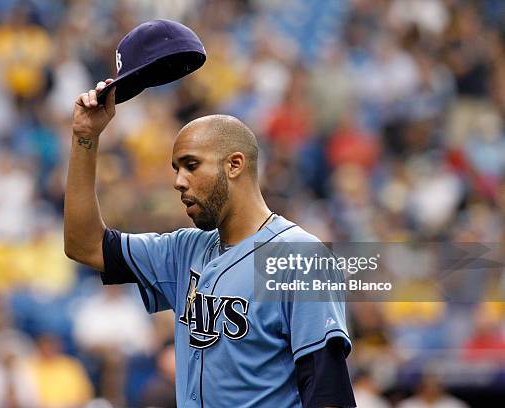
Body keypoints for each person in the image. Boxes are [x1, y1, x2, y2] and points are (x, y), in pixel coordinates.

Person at [64, 80, 356, 407]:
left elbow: (329, 394)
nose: (178, 181)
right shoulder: (183, 250)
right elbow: (84, 244)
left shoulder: (299, 257)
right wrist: (85, 138)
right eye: (176, 169)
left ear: (234, 165)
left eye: (191, 165)